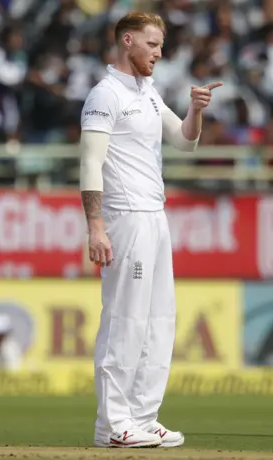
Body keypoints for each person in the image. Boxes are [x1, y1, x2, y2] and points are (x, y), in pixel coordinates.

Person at [78, 11, 221, 449]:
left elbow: (184, 141)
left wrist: (195, 111)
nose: (159, 53)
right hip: (125, 218)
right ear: (127, 42)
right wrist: (96, 226)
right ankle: (112, 424)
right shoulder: (105, 94)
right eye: (152, 44)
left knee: (160, 321)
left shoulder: (149, 92)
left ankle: (143, 416)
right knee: (125, 319)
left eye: (160, 45)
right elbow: (89, 162)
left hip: (154, 215)